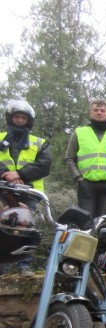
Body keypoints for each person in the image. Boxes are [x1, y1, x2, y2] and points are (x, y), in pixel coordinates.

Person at [0, 100, 52, 277]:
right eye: (16, 117)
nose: (19, 120)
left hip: (28, 191)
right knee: (3, 228)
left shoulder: (39, 142)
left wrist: (20, 174)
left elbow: (44, 165)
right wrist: (6, 173)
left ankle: (24, 266)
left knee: (26, 227)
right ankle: (2, 269)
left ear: (28, 121)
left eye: (23, 118)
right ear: (10, 118)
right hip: (2, 190)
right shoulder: (0, 138)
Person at [66, 99, 106, 219]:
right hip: (86, 185)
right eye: (96, 110)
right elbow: (70, 158)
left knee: (104, 224)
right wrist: (79, 179)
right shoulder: (79, 133)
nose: (99, 113)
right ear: (90, 113)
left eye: (102, 110)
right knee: (86, 223)